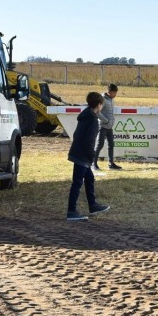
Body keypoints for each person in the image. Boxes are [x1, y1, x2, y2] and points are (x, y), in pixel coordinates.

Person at [66, 92, 111, 221]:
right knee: (77, 183)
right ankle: (71, 211)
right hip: (83, 155)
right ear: (99, 105)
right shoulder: (92, 120)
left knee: (89, 179)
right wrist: (91, 158)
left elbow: (76, 135)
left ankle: (93, 205)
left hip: (78, 152)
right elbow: (90, 142)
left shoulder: (85, 115)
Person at [92, 84, 122, 170]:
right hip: (102, 126)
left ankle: (111, 163)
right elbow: (97, 112)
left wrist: (111, 121)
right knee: (99, 145)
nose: (115, 95)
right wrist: (106, 120)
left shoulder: (111, 99)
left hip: (109, 127)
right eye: (115, 93)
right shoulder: (102, 99)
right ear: (110, 92)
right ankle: (93, 163)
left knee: (111, 144)